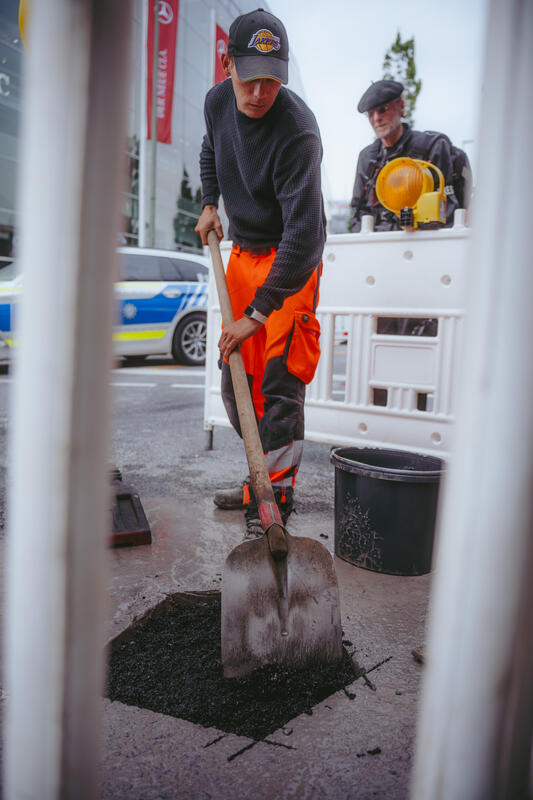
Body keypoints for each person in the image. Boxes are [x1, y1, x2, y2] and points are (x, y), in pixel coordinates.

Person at [194, 8, 326, 538]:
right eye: (251, 77)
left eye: (272, 80)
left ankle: (274, 500)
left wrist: (258, 312)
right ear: (228, 67)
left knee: (280, 381)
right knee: (237, 382)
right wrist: (209, 203)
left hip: (291, 264)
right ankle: (258, 479)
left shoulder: (298, 131)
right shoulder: (216, 103)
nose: (260, 92)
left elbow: (304, 239)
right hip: (244, 254)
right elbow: (210, 148)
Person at [350, 79, 471, 232]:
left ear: (400, 106)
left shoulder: (432, 146)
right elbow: (358, 211)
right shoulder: (368, 158)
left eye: (383, 109)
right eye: (370, 114)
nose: (376, 119)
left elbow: (446, 208)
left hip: (425, 242)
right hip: (380, 245)